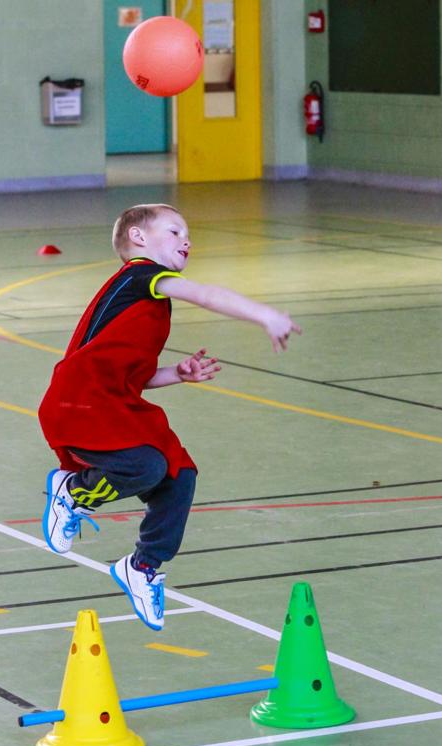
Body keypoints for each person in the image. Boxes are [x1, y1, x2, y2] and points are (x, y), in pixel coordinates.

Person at [38, 203, 301, 631]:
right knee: (144, 466)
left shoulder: (147, 302)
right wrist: (264, 314)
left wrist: (176, 374)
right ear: (139, 238)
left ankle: (141, 566)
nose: (187, 240)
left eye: (187, 234)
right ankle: (72, 493)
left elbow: (132, 376)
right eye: (175, 231)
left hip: (114, 403)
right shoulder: (141, 277)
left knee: (179, 475)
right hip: (79, 402)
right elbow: (206, 294)